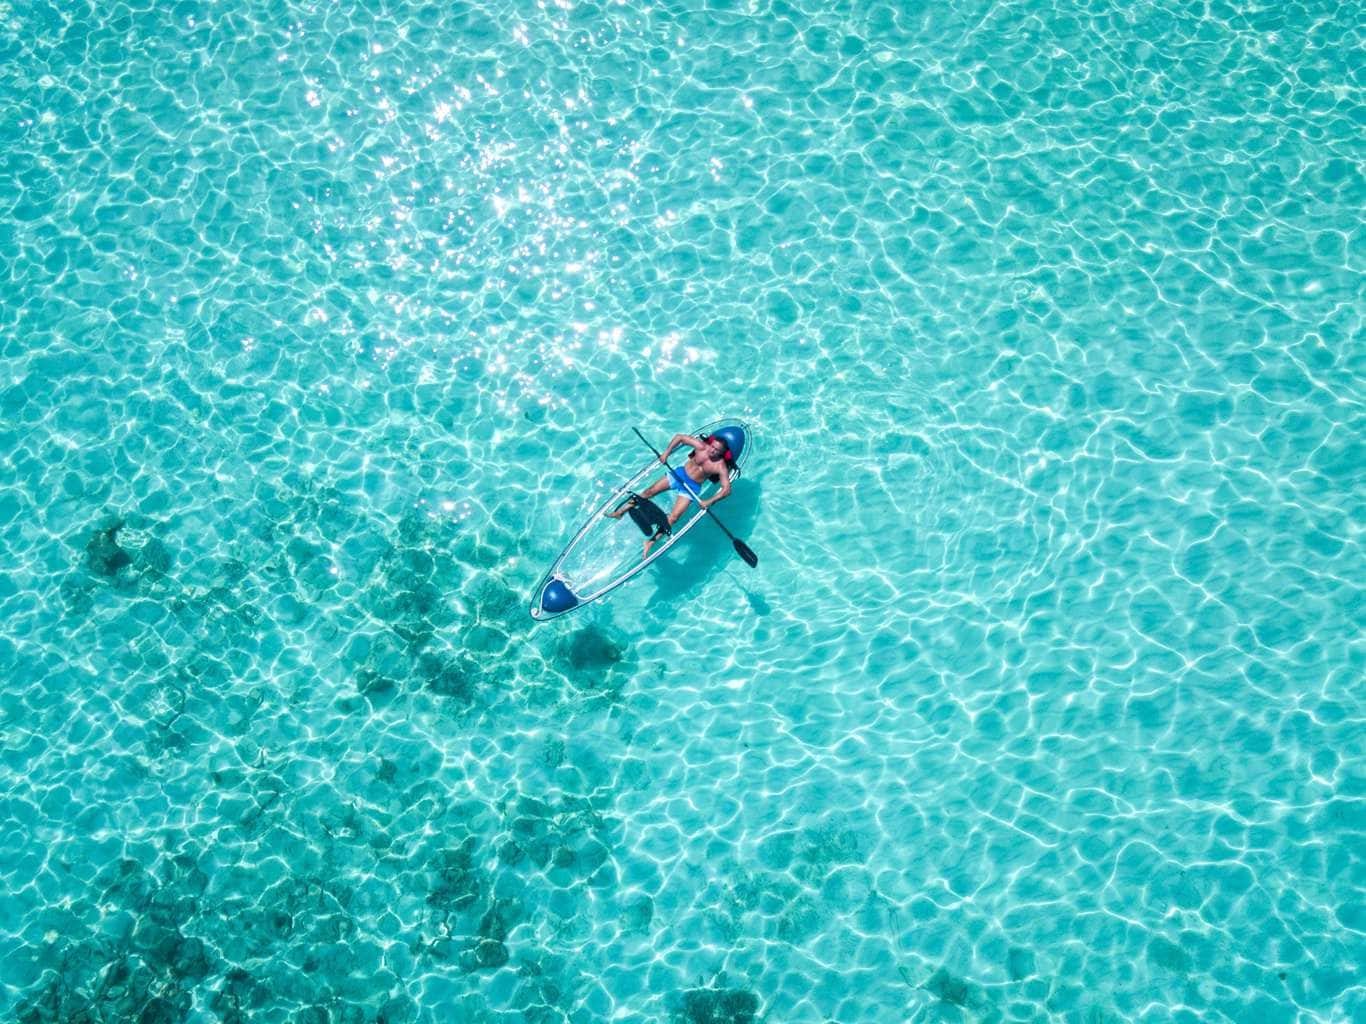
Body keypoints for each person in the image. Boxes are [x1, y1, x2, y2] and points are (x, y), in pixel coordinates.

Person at [606, 432, 735, 555]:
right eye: (712, 446)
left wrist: (709, 500)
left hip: (691, 487)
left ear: (722, 453)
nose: (712, 451)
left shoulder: (720, 466)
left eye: (717, 450)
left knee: (673, 518)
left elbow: (726, 490)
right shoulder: (701, 447)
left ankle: (650, 542)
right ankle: (620, 512)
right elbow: (680, 437)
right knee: (649, 492)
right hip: (679, 474)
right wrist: (666, 453)